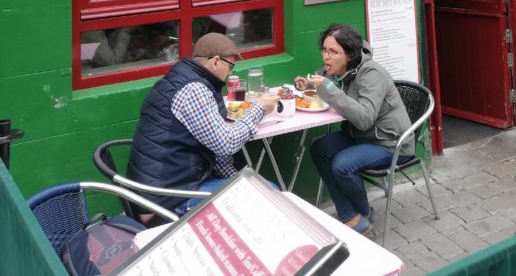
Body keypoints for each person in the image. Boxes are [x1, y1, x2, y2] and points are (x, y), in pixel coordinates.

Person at [127, 32, 279, 213]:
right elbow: (226, 144)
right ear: (215, 62)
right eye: (230, 66)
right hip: (164, 202)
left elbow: (213, 149)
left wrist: (238, 178)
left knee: (260, 187)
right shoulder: (194, 90)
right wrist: (259, 108)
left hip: (165, 188)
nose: (230, 72)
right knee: (269, 194)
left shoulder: (183, 78)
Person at [295, 24, 414, 236]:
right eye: (324, 50)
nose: (326, 57)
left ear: (349, 54)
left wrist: (327, 88)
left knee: (342, 165)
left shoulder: (371, 73)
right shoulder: (341, 70)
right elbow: (332, 89)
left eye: (333, 52)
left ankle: (365, 213)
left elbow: (364, 118)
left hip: (389, 142)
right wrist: (311, 86)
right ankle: (350, 215)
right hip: (362, 136)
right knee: (319, 147)